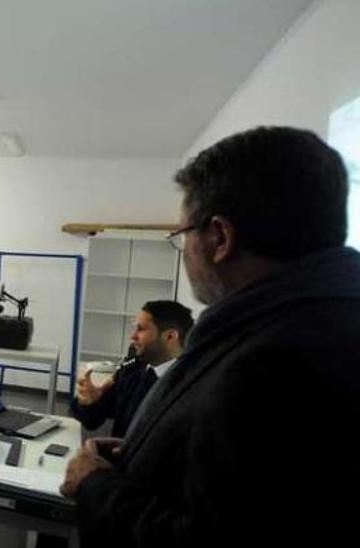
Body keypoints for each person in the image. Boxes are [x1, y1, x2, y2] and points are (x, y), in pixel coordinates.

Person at [61, 126, 360, 547]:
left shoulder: (278, 363)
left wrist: (96, 485)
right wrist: (140, 451)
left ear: (219, 238)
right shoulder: (292, 328)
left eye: (182, 235)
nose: (183, 250)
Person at [70, 301, 193, 438]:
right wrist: (89, 402)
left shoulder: (191, 386)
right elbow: (92, 421)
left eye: (140, 329)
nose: (132, 336)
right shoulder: (132, 368)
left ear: (170, 336)